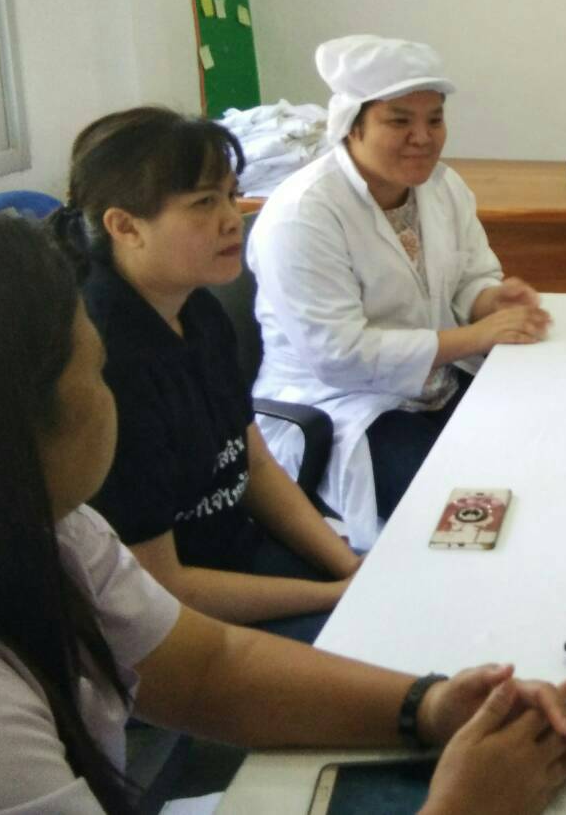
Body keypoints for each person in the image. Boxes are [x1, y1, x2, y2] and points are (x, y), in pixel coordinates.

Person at [0, 207, 566, 815]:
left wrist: (428, 706)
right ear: (6, 425)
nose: (109, 395)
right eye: (96, 372)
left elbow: (209, 668)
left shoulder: (58, 529)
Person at [46, 108, 356, 644]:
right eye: (203, 203)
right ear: (125, 226)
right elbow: (161, 588)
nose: (233, 219)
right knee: (378, 657)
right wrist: (333, 596)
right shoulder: (104, 361)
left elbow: (253, 464)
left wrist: (350, 567)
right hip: (170, 621)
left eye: (232, 196)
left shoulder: (196, 307)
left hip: (239, 559)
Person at [249, 35, 550, 550]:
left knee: (534, 460)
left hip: (434, 384)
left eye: (435, 119)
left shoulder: (442, 187)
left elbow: (471, 276)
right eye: (399, 121)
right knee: (464, 516)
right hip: (346, 407)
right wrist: (476, 335)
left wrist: (489, 300)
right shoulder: (304, 214)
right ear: (352, 125)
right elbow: (340, 355)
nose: (423, 138)